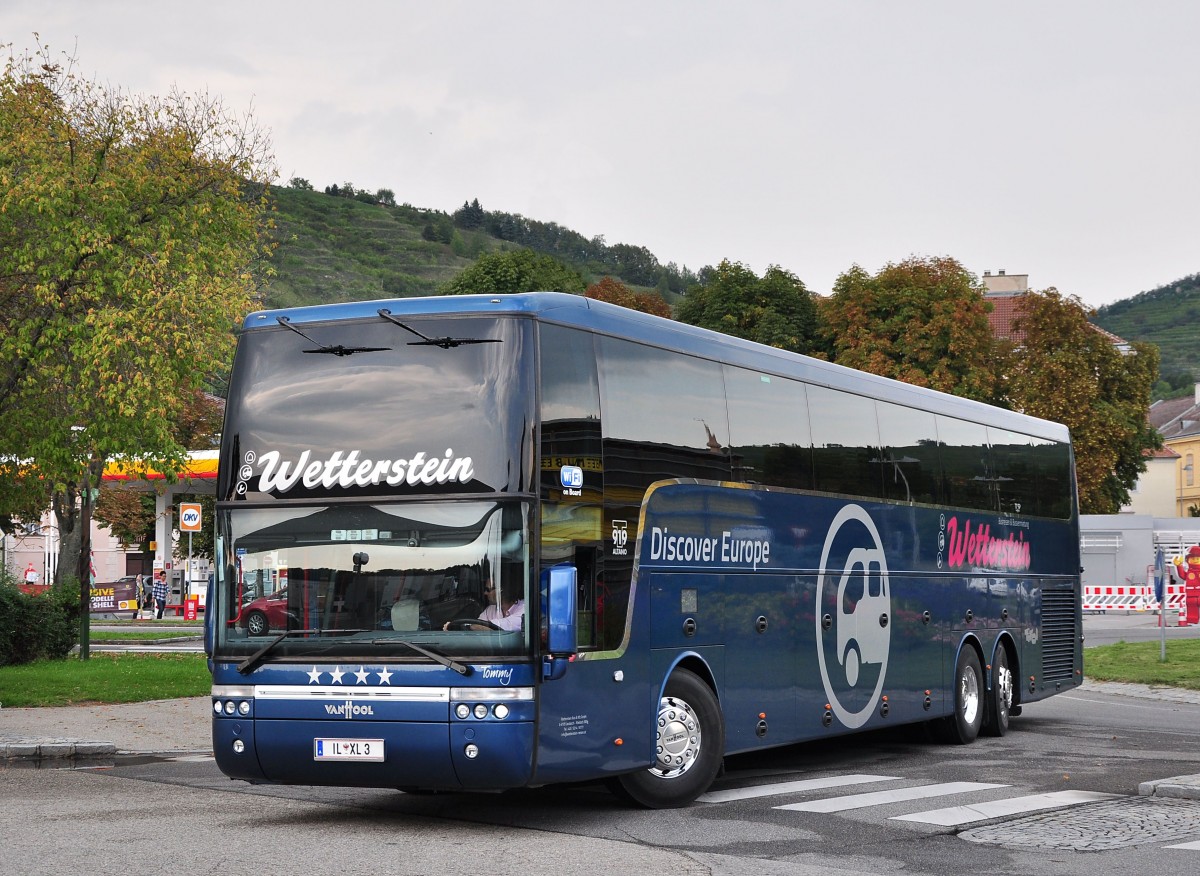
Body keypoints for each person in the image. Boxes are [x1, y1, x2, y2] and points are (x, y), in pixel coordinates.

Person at [444, 577, 524, 631]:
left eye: (487, 589)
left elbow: (498, 627)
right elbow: (478, 625)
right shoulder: (490, 609)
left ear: (501, 590)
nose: (485, 593)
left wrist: (463, 627)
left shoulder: (524, 608)